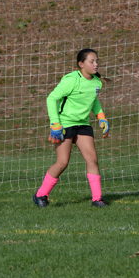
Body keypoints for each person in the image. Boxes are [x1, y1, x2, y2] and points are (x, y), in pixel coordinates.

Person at [33, 48, 110, 208]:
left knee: (92, 160)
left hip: (83, 125)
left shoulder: (97, 82)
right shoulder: (71, 80)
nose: (96, 64)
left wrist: (101, 117)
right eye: (92, 61)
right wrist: (55, 124)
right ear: (81, 64)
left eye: (97, 61)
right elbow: (51, 98)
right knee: (62, 162)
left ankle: (97, 199)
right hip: (65, 125)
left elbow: (94, 101)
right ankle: (40, 195)